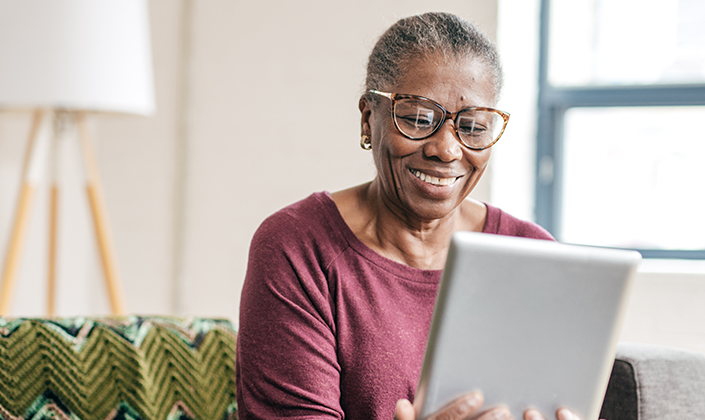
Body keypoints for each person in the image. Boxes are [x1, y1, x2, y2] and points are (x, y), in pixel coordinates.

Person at [236, 12, 581, 420]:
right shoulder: (297, 247)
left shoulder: (531, 254)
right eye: (418, 118)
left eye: (472, 127)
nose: (447, 150)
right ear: (369, 118)